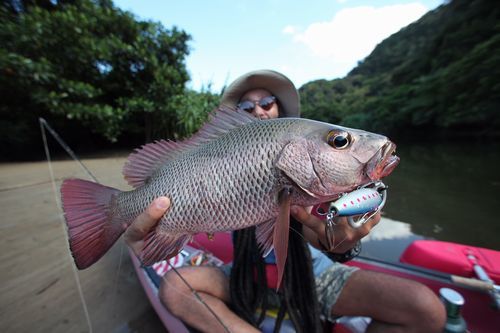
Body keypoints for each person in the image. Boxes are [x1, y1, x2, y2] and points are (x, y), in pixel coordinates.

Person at [125, 70, 446, 333]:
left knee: (426, 308)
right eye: (246, 107)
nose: (259, 109)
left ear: (281, 112)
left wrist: (340, 241)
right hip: (244, 274)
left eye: (267, 101)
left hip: (312, 276)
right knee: (175, 289)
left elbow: (324, 233)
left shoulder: (322, 181)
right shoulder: (221, 159)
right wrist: (153, 234)